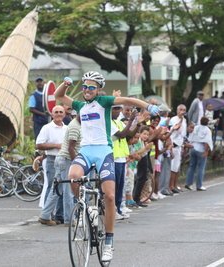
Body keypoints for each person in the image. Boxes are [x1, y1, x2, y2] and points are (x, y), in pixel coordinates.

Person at [54, 71, 160, 262]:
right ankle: (84, 208)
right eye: (84, 86)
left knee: (110, 196)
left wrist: (148, 107)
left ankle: (109, 242)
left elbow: (127, 99)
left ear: (98, 90)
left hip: (104, 151)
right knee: (73, 175)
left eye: (91, 87)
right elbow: (59, 97)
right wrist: (66, 84)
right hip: (86, 151)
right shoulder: (80, 105)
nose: (86, 90)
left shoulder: (104, 102)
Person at [39, 116, 81, 226]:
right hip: (66, 160)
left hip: (61, 159)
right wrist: (76, 164)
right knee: (68, 191)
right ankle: (69, 219)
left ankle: (45, 215)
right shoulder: (75, 126)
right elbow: (70, 148)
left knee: (57, 189)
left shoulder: (78, 125)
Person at [35, 105, 67, 216]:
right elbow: (39, 144)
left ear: (64, 114)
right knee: (52, 186)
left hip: (64, 159)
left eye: (60, 112)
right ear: (52, 114)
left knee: (63, 187)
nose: (58, 114)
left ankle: (60, 215)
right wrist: (56, 145)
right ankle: (47, 215)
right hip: (52, 159)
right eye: (56, 112)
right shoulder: (47, 128)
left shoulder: (67, 128)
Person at [185, 117, 213, 191]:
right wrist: (206, 151)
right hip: (201, 150)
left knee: (192, 166)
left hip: (193, 148)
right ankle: (199, 185)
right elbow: (207, 141)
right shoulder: (207, 130)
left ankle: (188, 183)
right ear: (207, 123)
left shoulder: (196, 127)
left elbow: (191, 136)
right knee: (201, 167)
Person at [169, 104, 187, 193]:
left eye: (184, 110)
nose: (182, 111)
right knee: (173, 167)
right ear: (177, 110)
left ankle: (175, 185)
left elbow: (183, 134)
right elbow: (175, 129)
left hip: (180, 145)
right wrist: (181, 120)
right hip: (173, 144)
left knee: (177, 167)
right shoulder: (173, 119)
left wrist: (183, 145)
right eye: (181, 109)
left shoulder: (185, 120)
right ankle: (171, 186)